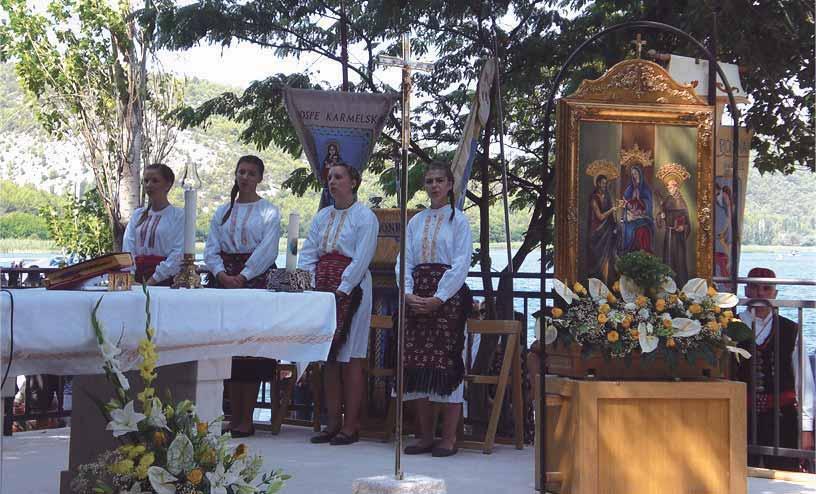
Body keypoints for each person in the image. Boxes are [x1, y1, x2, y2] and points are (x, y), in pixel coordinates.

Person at [299, 162, 378, 446]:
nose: (332, 182)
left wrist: (343, 289)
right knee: (328, 357)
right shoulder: (322, 217)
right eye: (329, 177)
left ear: (353, 181)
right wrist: (309, 284)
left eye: (339, 177)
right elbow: (309, 252)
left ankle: (351, 425)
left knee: (351, 358)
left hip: (352, 288)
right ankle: (332, 422)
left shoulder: (365, 217)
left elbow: (362, 257)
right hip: (323, 287)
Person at [397, 161, 472, 457]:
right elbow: (405, 258)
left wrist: (439, 297)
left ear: (450, 184)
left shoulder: (459, 220)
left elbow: (461, 262)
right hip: (417, 294)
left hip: (448, 298)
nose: (434, 186)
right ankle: (425, 435)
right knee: (417, 365)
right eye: (429, 181)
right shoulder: (415, 221)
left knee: (447, 365)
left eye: (440, 180)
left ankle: (448, 438)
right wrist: (407, 293)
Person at [204, 155, 281, 438]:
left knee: (249, 350)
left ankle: (246, 419)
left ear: (260, 178)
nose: (245, 177)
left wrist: (245, 276)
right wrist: (221, 274)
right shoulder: (223, 211)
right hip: (224, 280)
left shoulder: (268, 212)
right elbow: (211, 247)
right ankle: (230, 415)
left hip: (254, 281)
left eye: (250, 173)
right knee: (227, 349)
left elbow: (268, 250)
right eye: (241, 172)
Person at [736, 267, 814, 471]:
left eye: (766, 288)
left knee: (784, 474)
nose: (760, 293)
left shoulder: (791, 330)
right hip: (739, 417)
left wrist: (806, 428)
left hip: (782, 418)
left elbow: (804, 381)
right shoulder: (729, 327)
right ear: (746, 291)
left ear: (775, 294)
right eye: (754, 287)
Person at [122, 163, 184, 286]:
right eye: (146, 181)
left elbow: (178, 252)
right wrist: (131, 276)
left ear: (168, 184)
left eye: (155, 181)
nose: (149, 185)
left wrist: (153, 280)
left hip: (164, 281)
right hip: (136, 279)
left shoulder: (178, 215)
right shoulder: (138, 215)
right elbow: (128, 245)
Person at [656, 163, 691, 285]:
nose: (669, 189)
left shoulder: (682, 202)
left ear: (676, 186)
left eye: (671, 187)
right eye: (668, 187)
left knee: (678, 260)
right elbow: (661, 213)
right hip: (669, 234)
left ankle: (680, 285)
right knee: (668, 260)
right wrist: (661, 216)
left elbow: (687, 223)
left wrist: (683, 227)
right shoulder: (667, 200)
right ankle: (667, 286)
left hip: (678, 237)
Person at [587, 174, 619, 285]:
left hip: (606, 230)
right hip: (597, 232)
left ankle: (606, 283)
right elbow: (600, 216)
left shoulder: (607, 196)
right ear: (598, 183)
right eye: (603, 183)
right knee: (598, 260)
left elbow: (610, 216)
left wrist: (614, 225)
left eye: (606, 183)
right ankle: (597, 284)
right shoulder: (594, 198)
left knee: (607, 258)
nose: (605, 185)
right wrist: (612, 210)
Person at [618, 164, 654, 254]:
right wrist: (627, 205)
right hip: (631, 218)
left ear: (640, 173)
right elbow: (625, 201)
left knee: (644, 230)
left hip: (643, 217)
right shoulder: (630, 188)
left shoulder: (645, 188)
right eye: (632, 174)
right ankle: (631, 252)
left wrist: (639, 200)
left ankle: (644, 253)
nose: (634, 175)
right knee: (632, 231)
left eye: (636, 173)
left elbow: (649, 203)